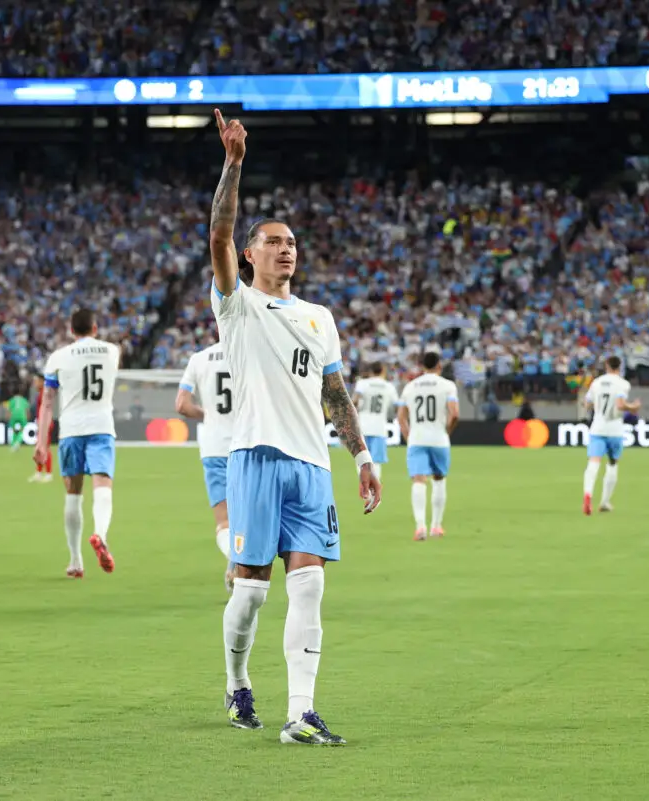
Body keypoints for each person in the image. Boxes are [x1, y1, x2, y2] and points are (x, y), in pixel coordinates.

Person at [209, 109, 381, 746]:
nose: (288, 249)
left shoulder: (320, 316)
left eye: (292, 242)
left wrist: (361, 456)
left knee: (309, 583)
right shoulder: (237, 304)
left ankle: (300, 713)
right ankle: (236, 683)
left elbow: (334, 391)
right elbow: (219, 232)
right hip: (254, 457)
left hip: (312, 464)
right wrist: (233, 165)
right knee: (251, 592)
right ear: (251, 255)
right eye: (275, 242)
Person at [34, 309, 122, 578]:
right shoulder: (112, 351)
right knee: (103, 486)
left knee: (73, 495)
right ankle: (100, 534)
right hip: (101, 427)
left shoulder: (59, 357)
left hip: (71, 430)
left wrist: (41, 442)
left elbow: (47, 401)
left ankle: (75, 561)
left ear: (71, 331)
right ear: (95, 328)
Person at [175, 341, 236, 592]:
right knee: (249, 518)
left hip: (214, 449)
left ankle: (234, 562)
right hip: (249, 445)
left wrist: (208, 414)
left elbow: (181, 405)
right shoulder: (252, 350)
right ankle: (240, 564)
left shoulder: (199, 358)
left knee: (224, 522)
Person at [397, 352, 459, 541]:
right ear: (439, 366)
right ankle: (436, 527)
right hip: (439, 439)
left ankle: (420, 527)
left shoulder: (410, 387)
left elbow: (401, 417)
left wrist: (409, 438)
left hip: (417, 439)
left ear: (422, 366)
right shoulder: (448, 386)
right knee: (439, 479)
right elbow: (454, 414)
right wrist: (447, 431)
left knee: (418, 480)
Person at [582, 356, 641, 515]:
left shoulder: (596, 382)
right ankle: (605, 502)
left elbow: (586, 404)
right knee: (612, 463)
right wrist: (633, 407)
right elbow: (620, 405)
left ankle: (588, 494)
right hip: (614, 429)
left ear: (606, 366)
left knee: (594, 462)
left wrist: (597, 405)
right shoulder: (623, 384)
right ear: (619, 367)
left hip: (597, 428)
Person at [351, 362, 398, 481]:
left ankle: (365, 486)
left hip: (362, 427)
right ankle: (374, 492)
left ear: (371, 371)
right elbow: (397, 406)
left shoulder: (362, 384)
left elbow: (354, 402)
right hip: (379, 428)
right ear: (383, 370)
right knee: (376, 461)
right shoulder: (389, 386)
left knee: (361, 459)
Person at [27, 374, 54, 482]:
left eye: (37, 381)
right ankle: (38, 473)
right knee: (40, 447)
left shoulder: (45, 393)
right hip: (41, 423)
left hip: (45, 423)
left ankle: (48, 474)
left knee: (45, 448)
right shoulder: (41, 393)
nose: (35, 383)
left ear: (42, 381)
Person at [7, 387, 31, 453]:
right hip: (22, 416)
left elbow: (9, 410)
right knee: (21, 431)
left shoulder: (11, 400)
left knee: (14, 431)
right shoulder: (24, 400)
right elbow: (27, 410)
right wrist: (28, 418)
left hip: (14, 416)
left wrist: (9, 418)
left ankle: (13, 445)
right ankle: (17, 443)